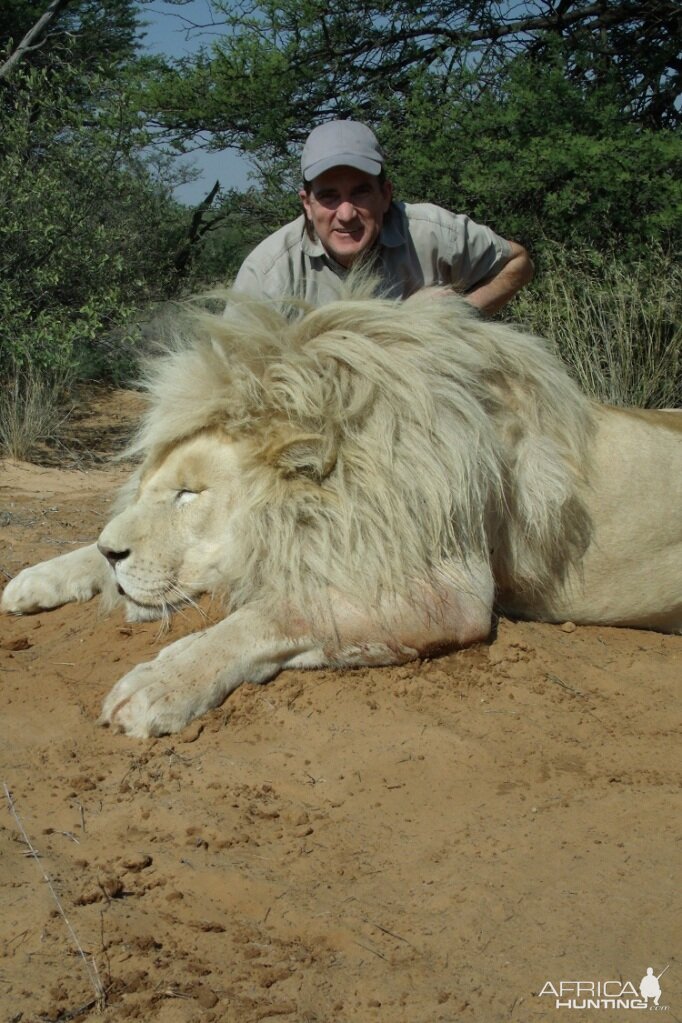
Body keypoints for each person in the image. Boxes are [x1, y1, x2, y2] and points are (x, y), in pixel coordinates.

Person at [233, 120, 533, 314]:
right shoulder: (267, 274)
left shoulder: (431, 232)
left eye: (361, 192)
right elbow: (232, 377)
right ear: (307, 204)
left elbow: (518, 263)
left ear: (386, 194)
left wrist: (460, 314)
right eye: (329, 197)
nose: (346, 214)